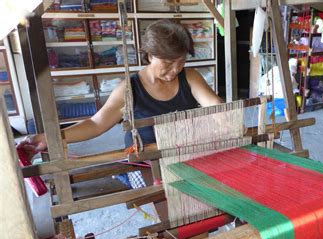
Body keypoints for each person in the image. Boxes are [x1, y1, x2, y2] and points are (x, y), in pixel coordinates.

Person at [18, 20, 223, 187]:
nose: (175, 70)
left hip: (184, 151)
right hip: (145, 161)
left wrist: (225, 120)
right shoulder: (129, 89)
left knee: (214, 189)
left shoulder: (190, 77)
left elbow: (215, 106)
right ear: (149, 55)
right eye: (168, 63)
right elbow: (97, 124)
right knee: (167, 206)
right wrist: (51, 138)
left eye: (181, 62)